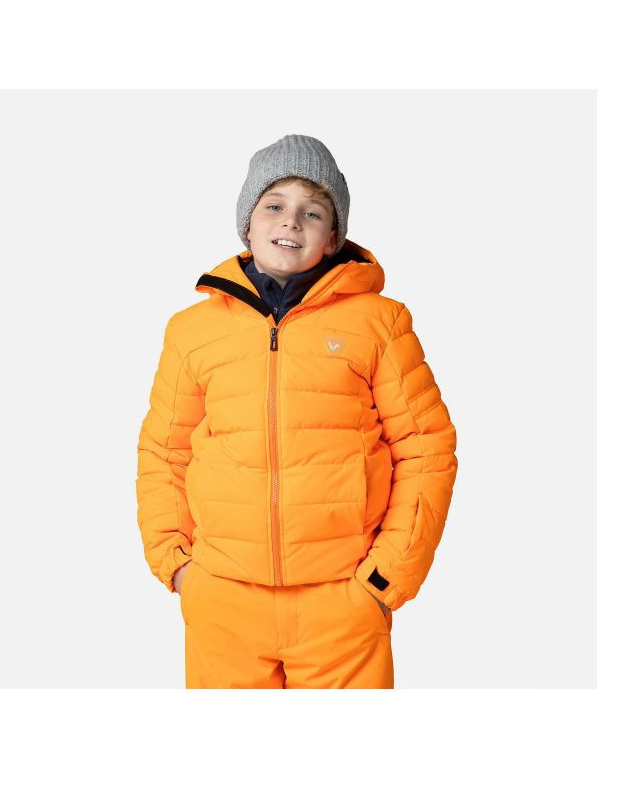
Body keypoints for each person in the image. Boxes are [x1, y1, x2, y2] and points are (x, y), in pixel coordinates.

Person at [136, 134, 458, 688]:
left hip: (342, 601)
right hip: (223, 601)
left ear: (333, 238)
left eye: (313, 211)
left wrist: (386, 578)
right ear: (248, 223)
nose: (291, 221)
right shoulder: (192, 331)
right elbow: (165, 452)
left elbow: (426, 449)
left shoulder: (380, 323)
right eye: (274, 205)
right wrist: (178, 563)